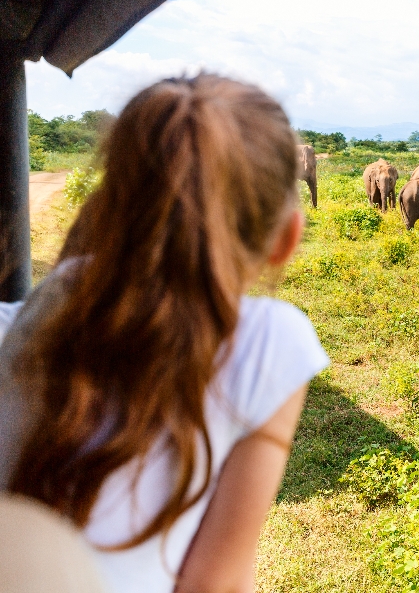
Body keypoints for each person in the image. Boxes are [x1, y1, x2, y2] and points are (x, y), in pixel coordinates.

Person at [0, 74, 329, 593]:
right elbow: (214, 583)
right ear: (286, 240)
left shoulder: (31, 313)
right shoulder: (273, 339)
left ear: (106, 209)